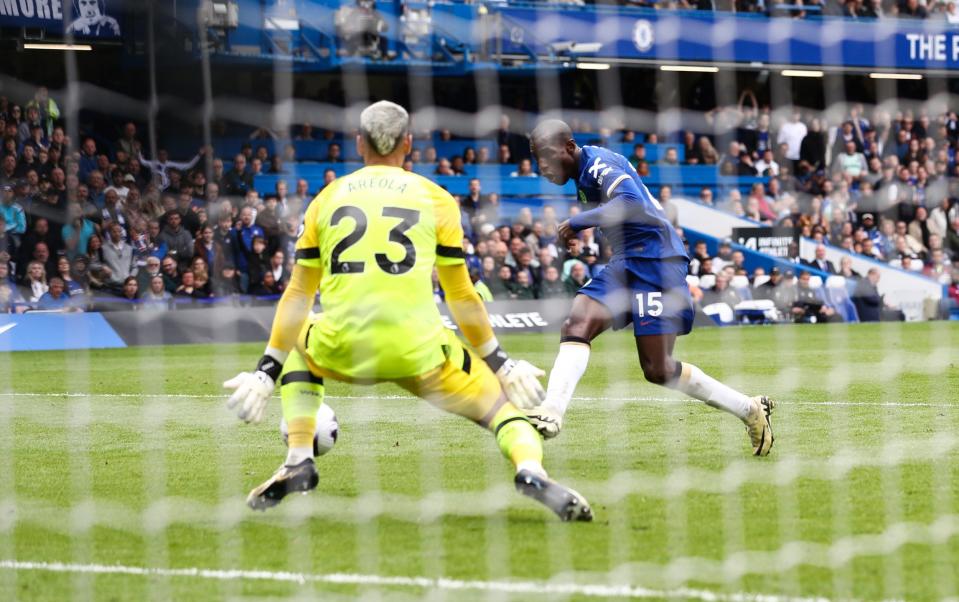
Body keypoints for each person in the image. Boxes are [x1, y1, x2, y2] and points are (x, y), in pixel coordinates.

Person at [223, 101, 591, 521]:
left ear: (359, 144)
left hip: (343, 345)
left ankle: (298, 457)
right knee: (504, 413)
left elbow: (297, 294)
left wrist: (264, 373)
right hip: (420, 350)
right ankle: (530, 470)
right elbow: (462, 296)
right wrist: (502, 365)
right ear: (409, 144)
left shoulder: (326, 198)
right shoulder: (436, 199)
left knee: (301, 337)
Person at [525, 119, 774, 457]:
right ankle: (552, 411)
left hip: (657, 262)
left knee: (658, 370)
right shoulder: (583, 176)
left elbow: (632, 204)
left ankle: (749, 409)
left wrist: (578, 222)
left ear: (569, 147)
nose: (541, 167)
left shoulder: (599, 164)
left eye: (546, 156)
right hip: (627, 261)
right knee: (576, 324)